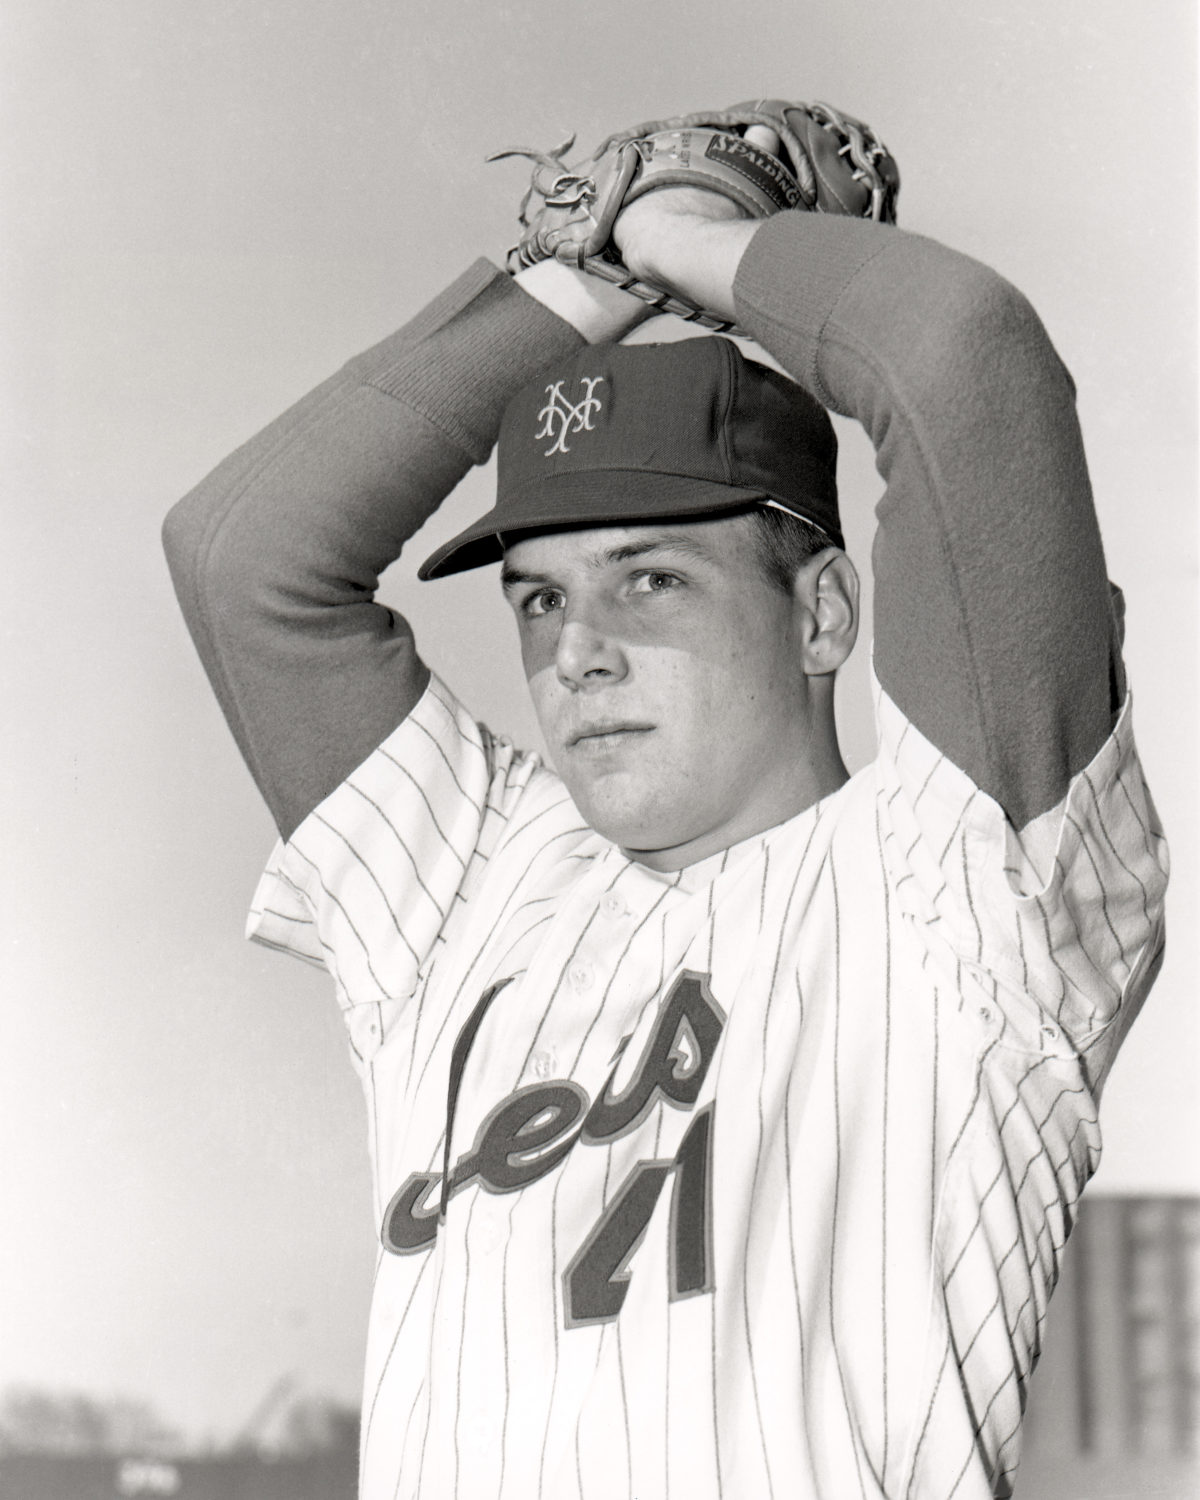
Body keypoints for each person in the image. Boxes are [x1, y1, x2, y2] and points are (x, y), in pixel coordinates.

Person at [163, 109, 1167, 1500]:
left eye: (652, 579)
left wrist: (682, 235)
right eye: (539, 596)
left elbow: (963, 359)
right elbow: (240, 555)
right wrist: (586, 288)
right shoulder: (467, 889)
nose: (577, 650)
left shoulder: (964, 886)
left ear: (820, 613)